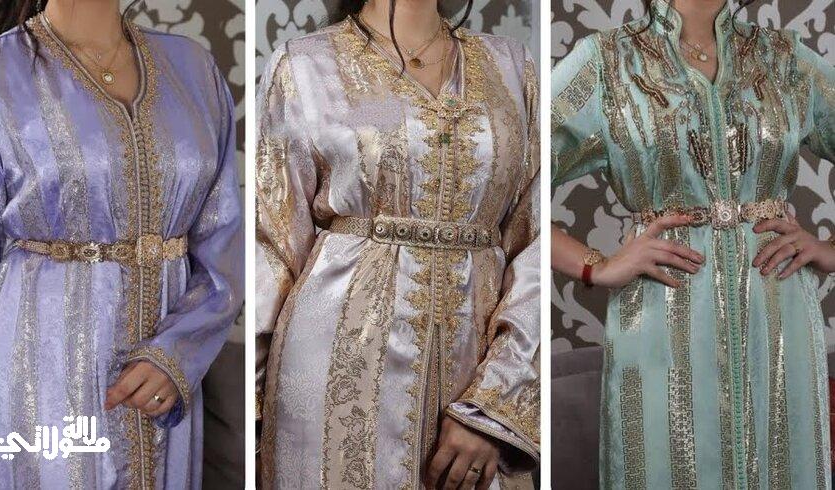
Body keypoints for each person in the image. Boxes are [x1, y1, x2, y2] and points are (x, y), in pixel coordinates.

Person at [254, 0, 540, 488]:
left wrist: (495, 403)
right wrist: (256, 411)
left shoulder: (512, 67)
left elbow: (533, 243)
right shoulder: (304, 65)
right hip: (332, 376)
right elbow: (272, 245)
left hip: (477, 363)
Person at [551, 0, 835, 487]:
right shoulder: (607, 61)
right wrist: (595, 265)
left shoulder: (785, 59)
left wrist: (830, 250)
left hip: (779, 320)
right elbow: (513, 176)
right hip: (661, 318)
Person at [0, 0, 244, 488]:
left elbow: (223, 242)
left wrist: (180, 352)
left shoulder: (194, 69)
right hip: (34, 375)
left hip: (164, 385)